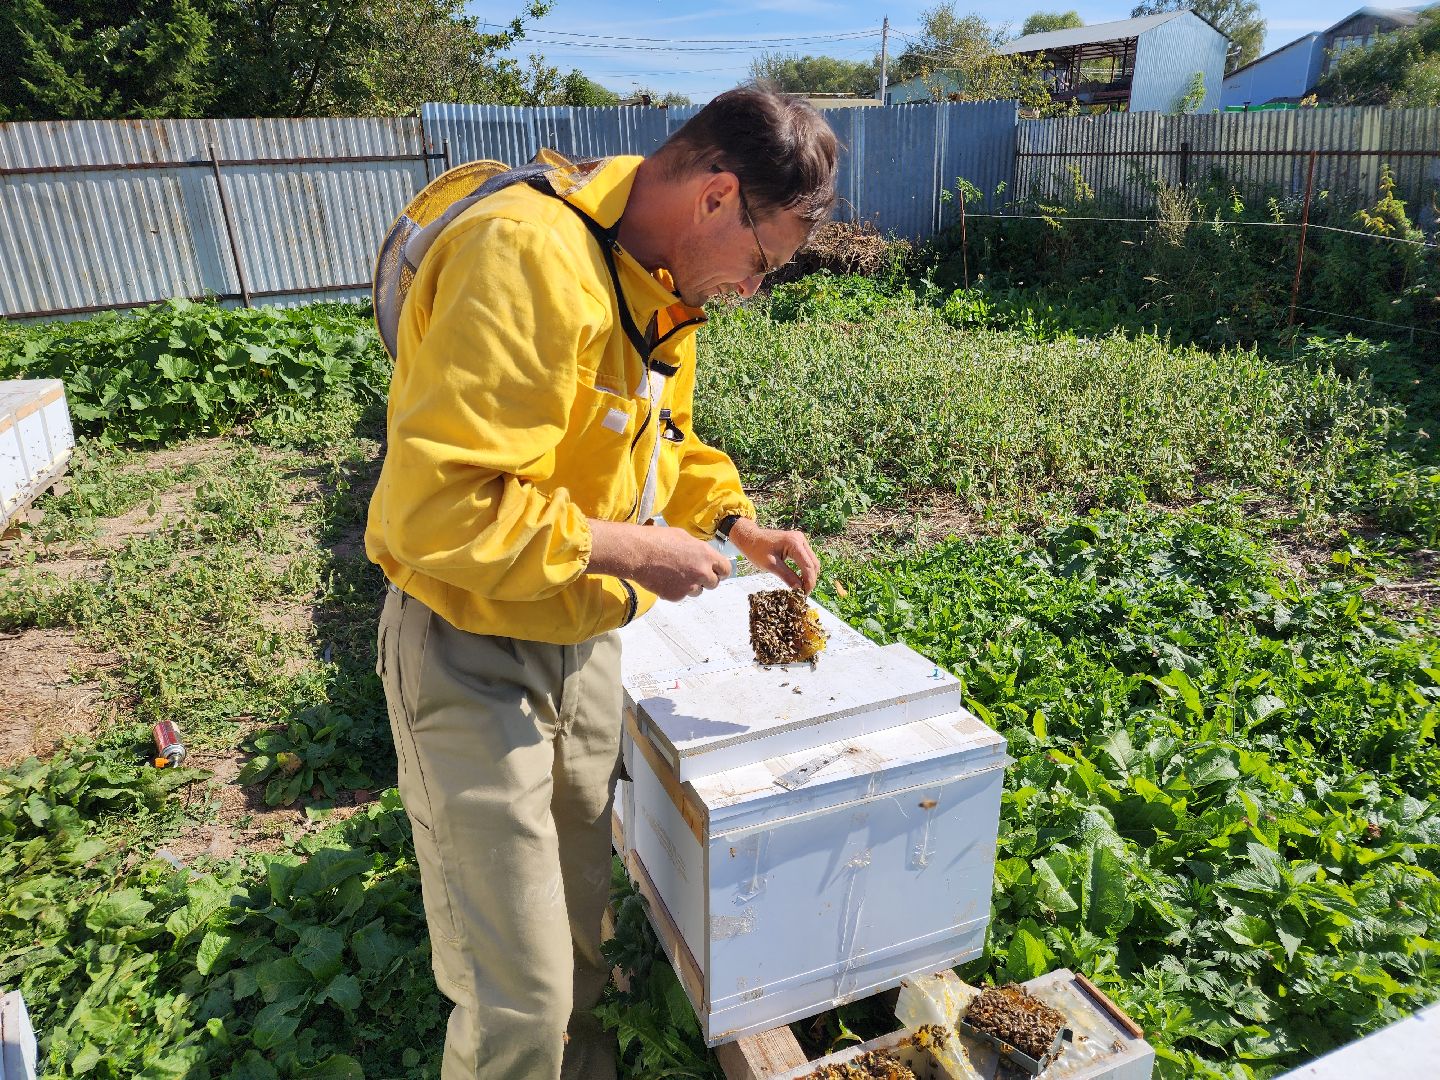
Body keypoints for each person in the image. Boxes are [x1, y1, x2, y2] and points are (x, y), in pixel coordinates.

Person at [365, 86, 839, 1079]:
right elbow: (436, 510)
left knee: (586, 938)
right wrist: (632, 550)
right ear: (717, 197)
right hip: (468, 648)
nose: (751, 291)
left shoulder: (658, 286)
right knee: (520, 1002)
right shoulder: (526, 256)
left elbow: (659, 438)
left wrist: (734, 522)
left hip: (580, 645)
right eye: (762, 264)